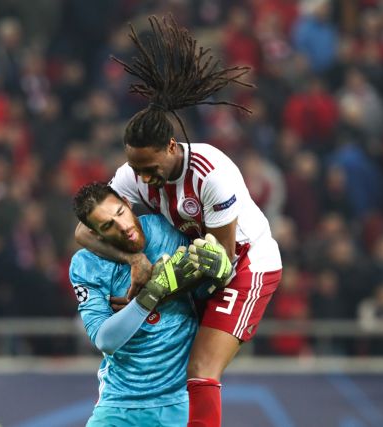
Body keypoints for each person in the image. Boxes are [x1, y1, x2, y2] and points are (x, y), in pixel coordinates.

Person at [75, 15, 282, 426]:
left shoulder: (211, 175)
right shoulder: (133, 175)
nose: (142, 178)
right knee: (179, 371)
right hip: (194, 263)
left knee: (201, 369)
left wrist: (162, 286)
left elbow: (220, 263)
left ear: (172, 147)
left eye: (149, 168)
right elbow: (85, 231)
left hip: (245, 266)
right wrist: (136, 261)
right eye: (136, 169)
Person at [70, 182, 208, 426]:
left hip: (178, 403)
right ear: (95, 234)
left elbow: (204, 291)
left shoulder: (167, 230)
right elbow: (105, 340)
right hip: (117, 405)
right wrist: (151, 294)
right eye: (108, 226)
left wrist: (219, 273)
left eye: (120, 213)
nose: (123, 227)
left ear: (127, 202)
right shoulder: (86, 265)